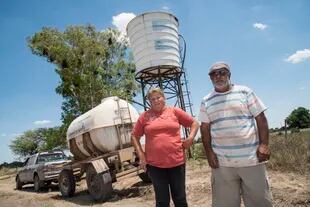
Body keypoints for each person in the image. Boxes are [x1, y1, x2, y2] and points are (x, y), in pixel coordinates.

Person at [198, 61, 273, 207]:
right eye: (214, 74)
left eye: (222, 72)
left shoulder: (245, 92)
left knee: (259, 201)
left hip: (251, 159)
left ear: (229, 75)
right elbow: (204, 128)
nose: (218, 76)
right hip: (222, 163)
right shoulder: (206, 100)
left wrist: (264, 144)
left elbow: (261, 118)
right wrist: (209, 153)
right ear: (210, 78)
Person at [131, 88, 199, 207]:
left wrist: (191, 138)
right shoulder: (144, 116)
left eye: (158, 97)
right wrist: (141, 155)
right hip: (155, 166)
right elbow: (134, 135)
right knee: (162, 201)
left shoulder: (174, 111)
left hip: (177, 163)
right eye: (153, 99)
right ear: (149, 102)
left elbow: (194, 123)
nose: (156, 101)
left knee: (180, 198)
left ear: (164, 98)